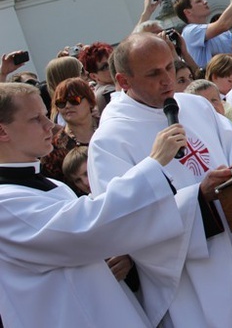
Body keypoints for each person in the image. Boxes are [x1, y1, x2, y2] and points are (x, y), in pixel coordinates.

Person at [87, 33, 232, 327]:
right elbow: (126, 224)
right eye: (154, 73)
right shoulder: (110, 140)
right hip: (195, 280)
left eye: (170, 67)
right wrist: (199, 199)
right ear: (123, 81)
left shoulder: (195, 106)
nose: (167, 80)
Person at [0, 82, 188, 327]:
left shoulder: (52, 185)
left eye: (46, 116)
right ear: (3, 132)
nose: (51, 126)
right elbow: (82, 230)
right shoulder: (5, 202)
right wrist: (152, 165)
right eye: (36, 119)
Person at [39, 78, 97, 192]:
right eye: (61, 103)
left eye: (74, 100)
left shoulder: (109, 127)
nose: (67, 106)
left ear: (90, 101)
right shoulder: (52, 151)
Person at [173, 0, 232, 68]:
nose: (205, 2)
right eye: (199, 1)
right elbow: (223, 24)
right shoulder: (189, 31)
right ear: (188, 12)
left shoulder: (224, 33)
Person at [78, 42, 116, 113]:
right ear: (94, 76)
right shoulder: (107, 92)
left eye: (113, 61)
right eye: (105, 67)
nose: (112, 66)